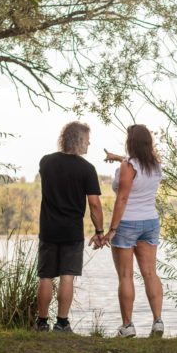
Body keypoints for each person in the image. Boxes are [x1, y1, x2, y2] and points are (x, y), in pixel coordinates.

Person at [36, 121, 106, 333]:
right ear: (78, 140)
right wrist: (100, 231)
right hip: (72, 232)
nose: (89, 144)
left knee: (46, 276)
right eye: (87, 140)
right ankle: (62, 322)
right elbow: (94, 204)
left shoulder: (46, 162)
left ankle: (41, 323)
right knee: (67, 275)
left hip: (48, 229)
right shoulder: (87, 169)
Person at [102, 124, 164, 338]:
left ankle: (127, 326)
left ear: (131, 143)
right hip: (150, 222)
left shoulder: (128, 166)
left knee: (126, 275)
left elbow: (123, 198)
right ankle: (158, 322)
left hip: (128, 223)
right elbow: (136, 168)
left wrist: (112, 230)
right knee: (150, 273)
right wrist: (118, 158)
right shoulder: (155, 165)